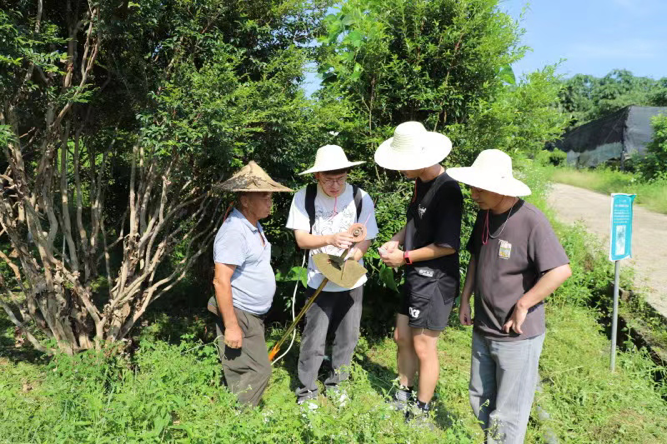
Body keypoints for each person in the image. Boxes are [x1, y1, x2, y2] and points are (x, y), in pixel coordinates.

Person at [448, 149, 572, 443]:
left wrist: (523, 304)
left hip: (516, 335)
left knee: (509, 413)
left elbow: (560, 270)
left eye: (479, 187)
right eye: (472, 187)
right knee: (479, 397)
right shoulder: (486, 215)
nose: (473, 193)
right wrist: (465, 298)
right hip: (484, 326)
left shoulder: (531, 221)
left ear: (501, 187)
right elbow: (477, 258)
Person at [374, 121, 463, 419]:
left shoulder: (448, 190)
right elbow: (416, 223)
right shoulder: (419, 181)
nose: (399, 169)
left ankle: (421, 411)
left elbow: (448, 245)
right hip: (415, 274)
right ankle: (403, 392)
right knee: (402, 336)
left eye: (403, 162)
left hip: (435, 279)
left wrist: (405, 257)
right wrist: (396, 241)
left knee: (424, 346)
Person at [286, 144, 378, 406]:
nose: (335, 185)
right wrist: (331, 239)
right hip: (318, 280)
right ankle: (307, 392)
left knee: (347, 338)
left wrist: (351, 260)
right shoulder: (304, 198)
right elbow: (302, 240)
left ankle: (337, 386)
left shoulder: (361, 197)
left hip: (351, 280)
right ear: (317, 176)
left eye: (340, 178)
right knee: (313, 339)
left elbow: (366, 238)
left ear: (348, 173)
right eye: (328, 180)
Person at [211, 161, 293, 407]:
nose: (270, 202)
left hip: (251, 313)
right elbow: (220, 280)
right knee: (259, 370)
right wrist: (232, 325)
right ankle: (240, 421)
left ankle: (237, 411)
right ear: (245, 200)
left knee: (243, 367)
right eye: (265, 196)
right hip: (240, 311)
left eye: (271, 196)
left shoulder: (253, 226)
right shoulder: (234, 231)